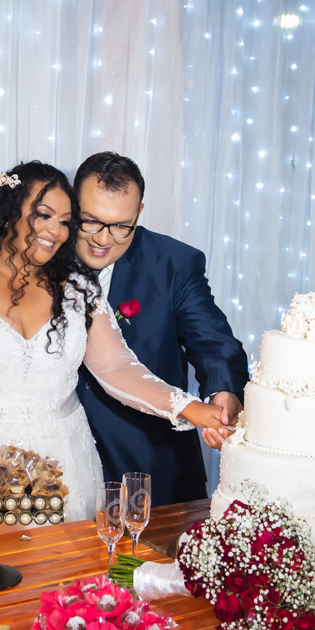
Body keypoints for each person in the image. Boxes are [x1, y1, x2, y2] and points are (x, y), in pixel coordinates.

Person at [0, 161, 228, 531]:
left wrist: (191, 408)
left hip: (65, 462)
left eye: (66, 221)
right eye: (43, 215)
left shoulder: (77, 288)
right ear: (10, 209)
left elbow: (116, 367)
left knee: (65, 580)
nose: (56, 231)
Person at [72, 153, 249, 506]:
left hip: (149, 468)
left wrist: (222, 395)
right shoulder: (43, 252)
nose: (103, 240)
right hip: (61, 465)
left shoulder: (174, 263)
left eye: (121, 225)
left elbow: (213, 343)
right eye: (91, 221)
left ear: (139, 211)